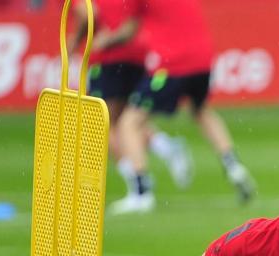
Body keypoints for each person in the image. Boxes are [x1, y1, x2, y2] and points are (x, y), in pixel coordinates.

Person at [109, 0, 256, 215]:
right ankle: (233, 165)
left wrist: (101, 43)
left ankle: (141, 192)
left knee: (129, 122)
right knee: (200, 110)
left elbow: (128, 31)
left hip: (172, 61)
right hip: (203, 58)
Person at [67, 0, 194, 200]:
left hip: (109, 56)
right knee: (127, 121)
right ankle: (165, 146)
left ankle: (138, 183)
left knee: (102, 125)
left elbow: (86, 14)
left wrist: (74, 42)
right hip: (135, 54)